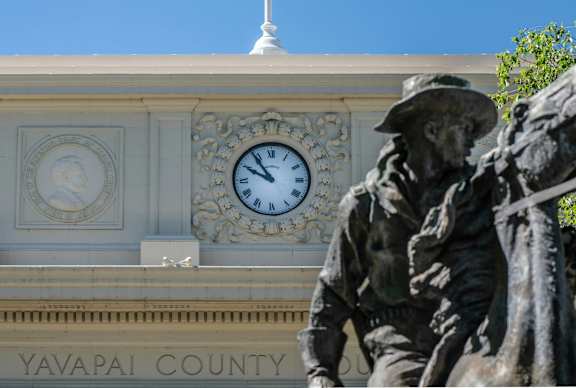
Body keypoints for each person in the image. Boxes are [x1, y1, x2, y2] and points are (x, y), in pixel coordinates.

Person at [298, 74, 498, 387]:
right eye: (464, 129)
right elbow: (333, 295)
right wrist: (320, 372)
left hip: (478, 337)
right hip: (404, 345)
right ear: (432, 131)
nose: (472, 141)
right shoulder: (364, 205)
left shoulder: (483, 196)